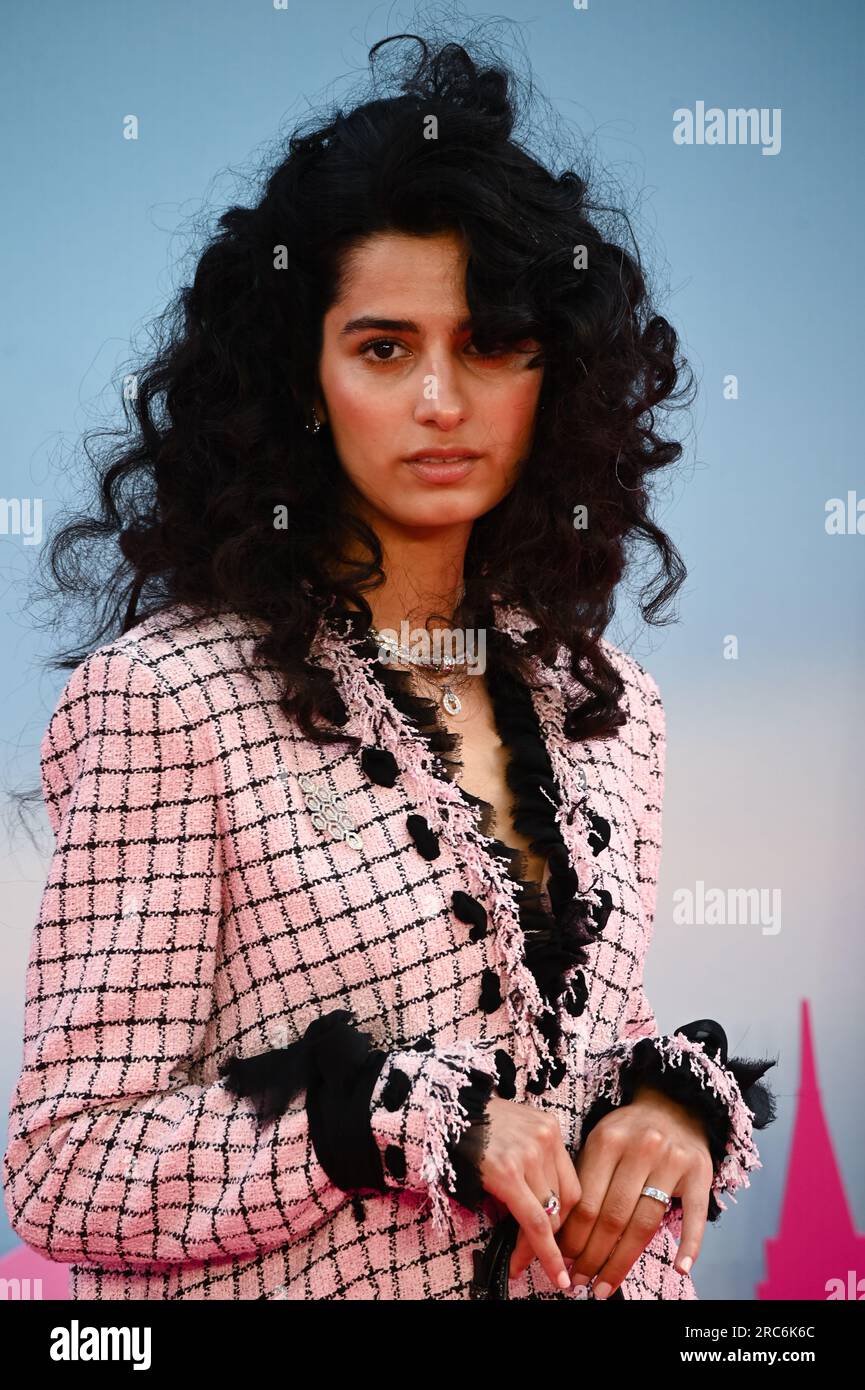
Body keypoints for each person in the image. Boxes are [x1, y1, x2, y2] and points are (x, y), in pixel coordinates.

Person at [2, 31, 776, 1301]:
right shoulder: (170, 700)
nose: (438, 398)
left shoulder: (609, 704)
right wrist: (386, 1119)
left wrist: (663, 1110)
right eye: (382, 347)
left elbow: (568, 1037)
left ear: (553, 375)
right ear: (301, 379)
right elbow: (66, 1164)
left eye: (488, 345)